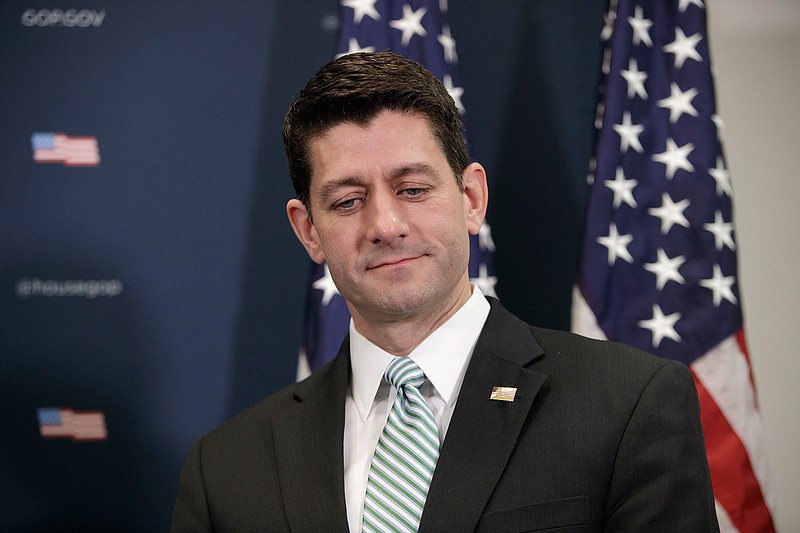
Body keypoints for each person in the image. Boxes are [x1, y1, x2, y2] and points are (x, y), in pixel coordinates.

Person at [170, 51, 719, 532]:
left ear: (472, 198)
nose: (385, 224)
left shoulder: (629, 405)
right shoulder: (223, 470)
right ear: (308, 230)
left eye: (412, 188)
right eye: (346, 201)